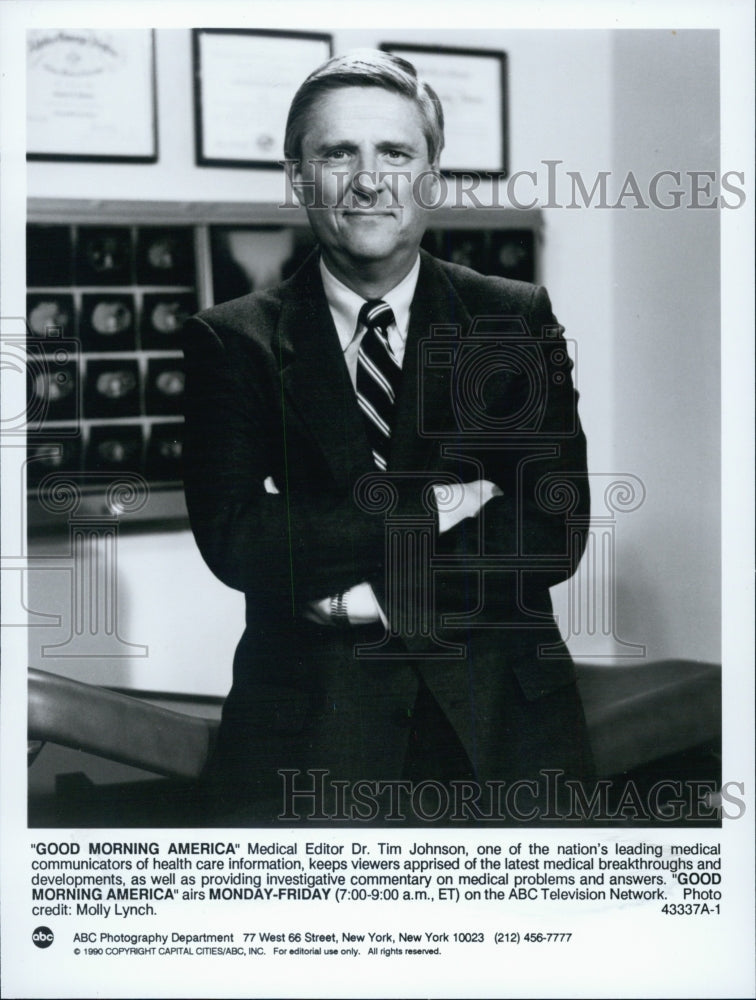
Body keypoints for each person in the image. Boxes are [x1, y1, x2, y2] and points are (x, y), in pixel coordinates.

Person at [182, 49, 594, 825]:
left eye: (395, 153)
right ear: (299, 177)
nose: (369, 179)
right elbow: (239, 541)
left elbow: (548, 530)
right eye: (338, 152)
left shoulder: (511, 318)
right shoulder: (230, 340)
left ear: (430, 175)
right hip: (308, 736)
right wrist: (436, 504)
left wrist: (369, 597)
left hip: (502, 726)